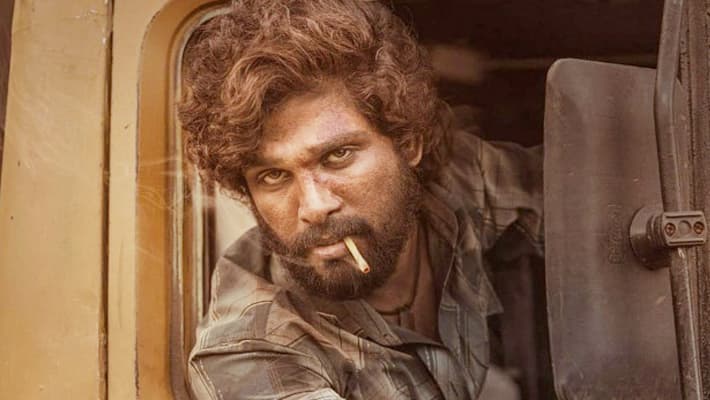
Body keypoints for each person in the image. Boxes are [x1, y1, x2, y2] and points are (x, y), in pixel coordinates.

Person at [178, 0, 543, 399]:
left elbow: (579, 202)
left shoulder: (458, 180)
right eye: (273, 176)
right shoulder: (250, 351)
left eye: (338, 155)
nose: (314, 207)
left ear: (408, 143)